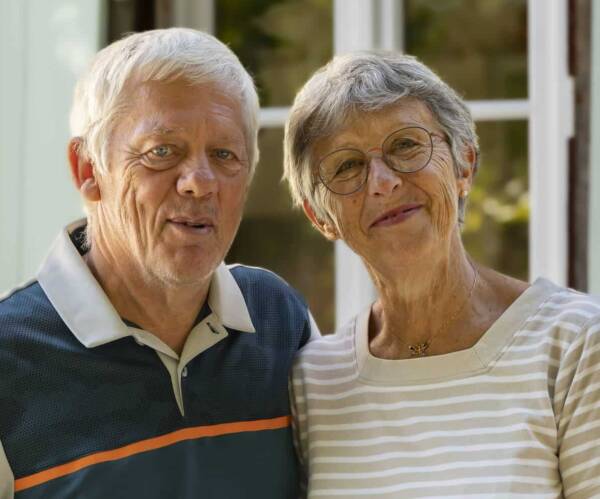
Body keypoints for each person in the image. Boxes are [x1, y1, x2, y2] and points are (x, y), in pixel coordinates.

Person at [0, 28, 317, 499]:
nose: (199, 183)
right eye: (162, 152)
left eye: (224, 154)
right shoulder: (10, 359)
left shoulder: (280, 321)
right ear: (88, 171)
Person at [284, 52, 600, 498]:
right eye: (347, 166)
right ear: (321, 218)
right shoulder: (313, 381)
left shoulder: (575, 343)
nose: (383, 181)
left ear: (464, 165)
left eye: (406, 145)